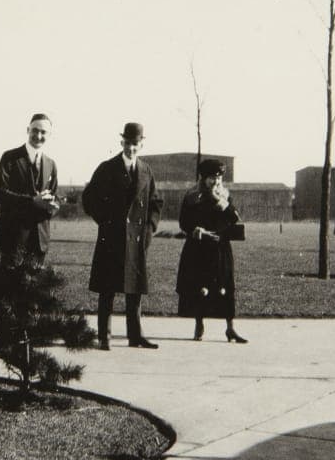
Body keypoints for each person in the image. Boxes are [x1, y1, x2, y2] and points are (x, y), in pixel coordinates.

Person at [82, 122, 163, 351]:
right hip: (111, 238)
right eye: (127, 143)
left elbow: (156, 202)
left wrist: (149, 228)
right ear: (121, 142)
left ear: (142, 144)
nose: (131, 148)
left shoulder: (146, 170)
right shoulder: (107, 168)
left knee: (134, 289)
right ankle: (104, 336)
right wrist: (105, 222)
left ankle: (135, 336)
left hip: (137, 239)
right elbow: (89, 198)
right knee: (107, 288)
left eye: (135, 144)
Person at [176, 159, 248, 343]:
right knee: (201, 288)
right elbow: (183, 222)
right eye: (212, 178)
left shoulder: (224, 195)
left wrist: (219, 200)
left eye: (219, 178)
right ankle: (199, 324)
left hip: (220, 248)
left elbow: (234, 217)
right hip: (199, 248)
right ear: (203, 178)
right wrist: (196, 230)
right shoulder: (192, 196)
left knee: (226, 287)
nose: (216, 182)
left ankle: (230, 328)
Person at [0, 113, 60, 267]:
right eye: (35, 130)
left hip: (40, 240)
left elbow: (55, 197)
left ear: (49, 135)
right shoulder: (9, 157)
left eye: (43, 132)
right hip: (12, 237)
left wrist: (52, 206)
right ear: (28, 130)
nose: (38, 136)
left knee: (36, 282)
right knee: (10, 281)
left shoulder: (51, 164)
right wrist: (32, 201)